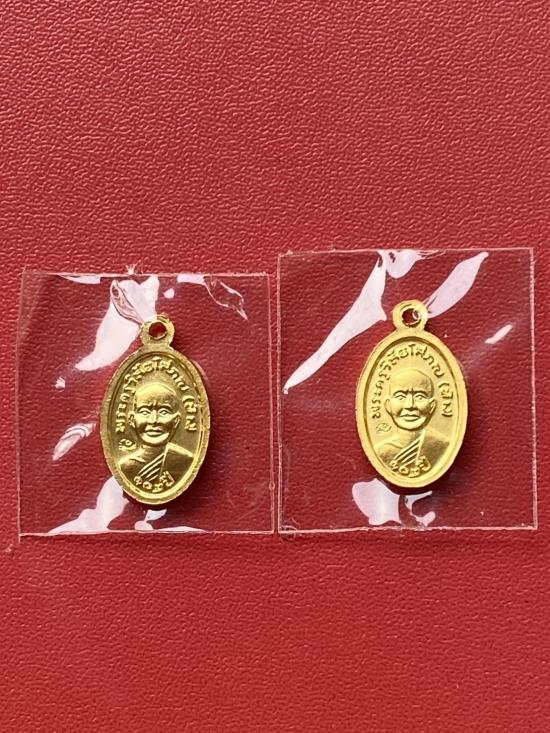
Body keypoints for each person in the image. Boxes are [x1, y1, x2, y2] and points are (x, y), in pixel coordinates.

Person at [120, 381, 193, 493]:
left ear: (176, 420)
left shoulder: (185, 461)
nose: (154, 420)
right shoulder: (126, 466)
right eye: (145, 412)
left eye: (163, 412)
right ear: (132, 420)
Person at [376, 368, 448, 477]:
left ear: (432, 405)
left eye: (419, 397)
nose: (410, 405)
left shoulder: (442, 446)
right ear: (388, 405)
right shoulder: (381, 452)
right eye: (400, 396)